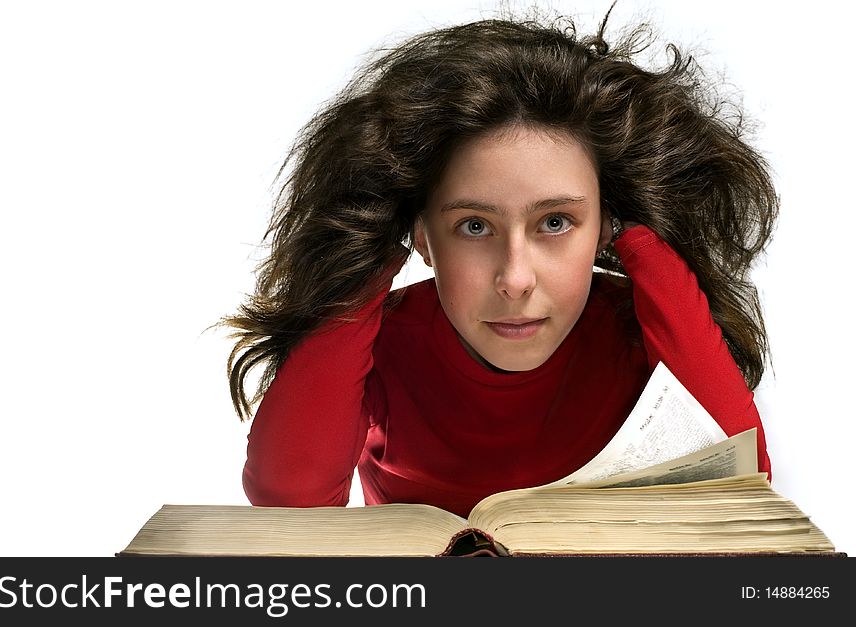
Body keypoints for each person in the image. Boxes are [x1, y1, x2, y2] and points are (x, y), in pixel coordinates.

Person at [221, 8, 777, 518]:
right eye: (474, 226)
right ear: (422, 234)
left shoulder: (638, 331)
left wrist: (645, 242)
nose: (515, 279)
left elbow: (741, 489)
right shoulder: (379, 344)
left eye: (556, 222)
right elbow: (287, 499)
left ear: (606, 224)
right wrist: (363, 260)